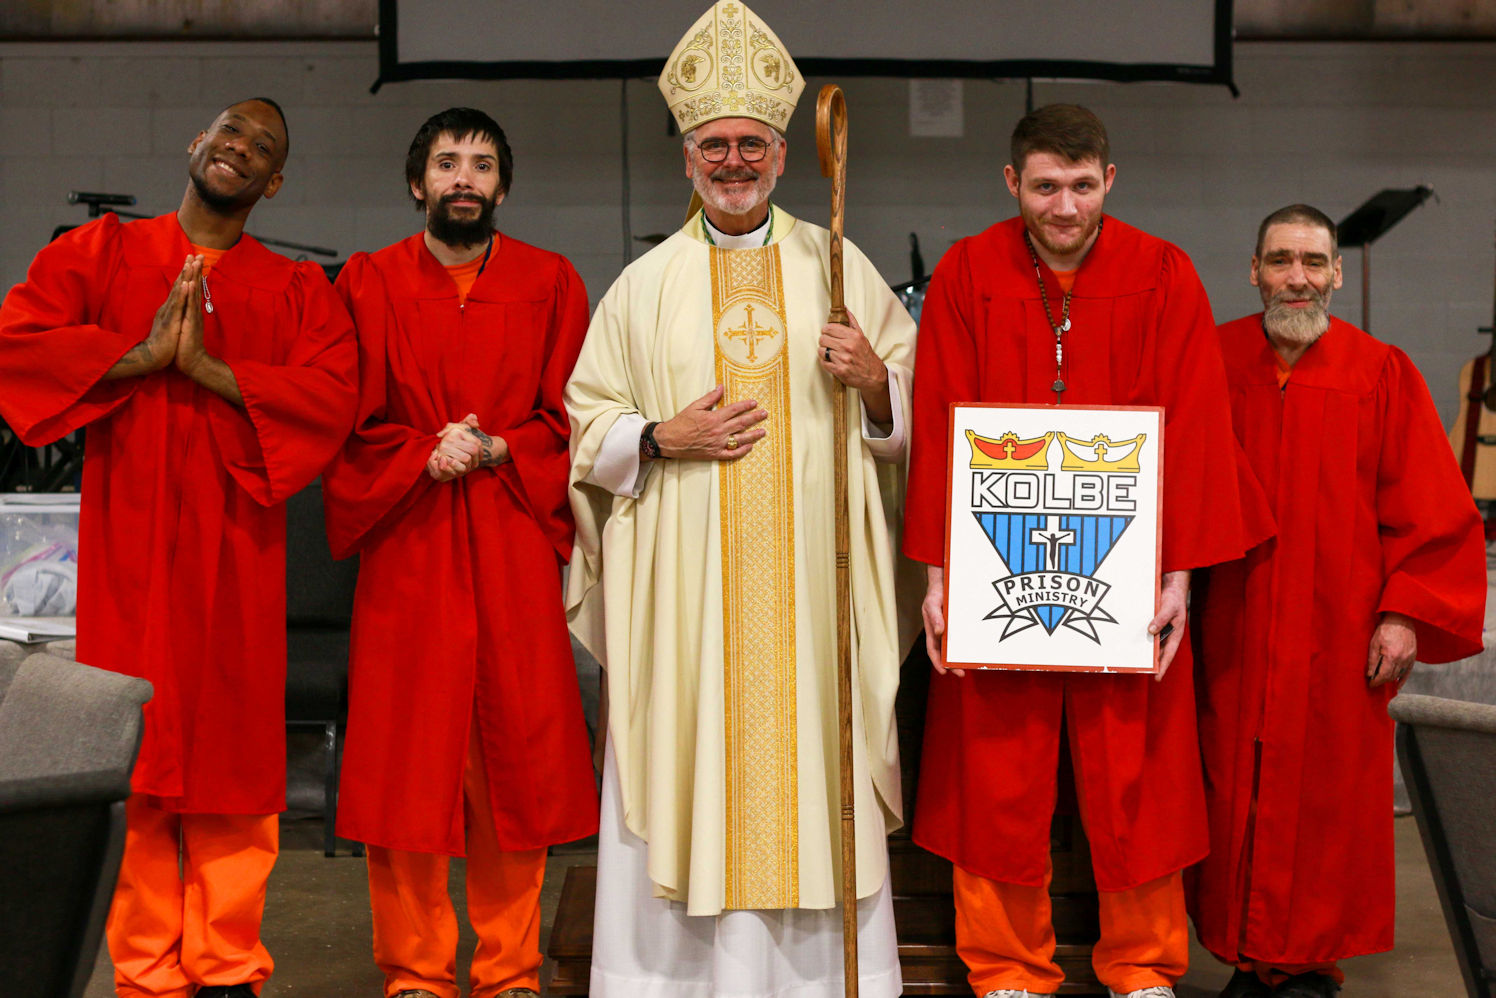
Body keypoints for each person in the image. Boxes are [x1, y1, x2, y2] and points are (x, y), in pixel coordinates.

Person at [562, 3, 921, 995]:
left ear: (782, 155)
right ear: (687, 159)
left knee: (812, 763)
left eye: (751, 143)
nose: (733, 161)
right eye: (714, 145)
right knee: (690, 759)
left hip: (813, 596)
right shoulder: (641, 286)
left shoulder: (839, 266)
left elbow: (910, 416)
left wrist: (875, 384)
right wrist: (657, 437)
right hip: (686, 599)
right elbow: (586, 423)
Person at [903, 104, 1271, 998]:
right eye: (1043, 187)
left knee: (1137, 769)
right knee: (995, 768)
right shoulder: (967, 272)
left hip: (1128, 567)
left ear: (1109, 179)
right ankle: (1006, 967)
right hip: (996, 559)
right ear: (1012, 183)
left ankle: (1142, 966)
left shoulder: (1163, 272)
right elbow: (940, 419)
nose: (1062, 207)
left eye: (1079, 185)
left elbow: (1194, 425)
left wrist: (1180, 577)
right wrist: (939, 577)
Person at [0, 98, 357, 998]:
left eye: (264, 147)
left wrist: (208, 371)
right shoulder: (100, 253)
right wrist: (141, 355)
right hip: (128, 546)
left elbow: (330, 395)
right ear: (198, 142)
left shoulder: (295, 289)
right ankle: (147, 970)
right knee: (135, 744)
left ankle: (227, 965)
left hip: (238, 552)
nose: (241, 148)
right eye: (231, 130)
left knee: (234, 756)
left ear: (274, 183)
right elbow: (18, 343)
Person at [321, 107, 598, 998]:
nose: (464, 179)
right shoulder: (365, 282)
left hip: (511, 533)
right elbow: (341, 418)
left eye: (481, 164)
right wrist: (421, 452)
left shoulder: (552, 281)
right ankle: (415, 972)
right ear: (419, 184)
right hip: (410, 538)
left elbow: (577, 415)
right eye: (446, 163)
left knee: (517, 760)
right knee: (407, 763)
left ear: (502, 186)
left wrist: (500, 447)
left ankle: (510, 970)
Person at [1189, 204, 1485, 998]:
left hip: (1341, 630)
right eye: (1281, 261)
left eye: (1314, 262)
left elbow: (1430, 508)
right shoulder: (1210, 358)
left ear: (1337, 274)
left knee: (1327, 801)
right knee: (1234, 790)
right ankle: (1248, 958)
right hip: (1233, 624)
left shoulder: (1379, 371)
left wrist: (1403, 612)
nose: (1298, 278)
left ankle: (1310, 963)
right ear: (1254, 271)